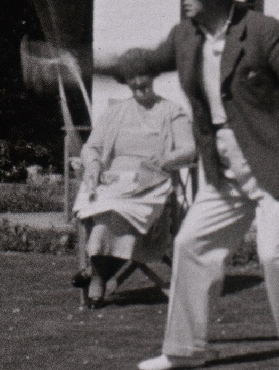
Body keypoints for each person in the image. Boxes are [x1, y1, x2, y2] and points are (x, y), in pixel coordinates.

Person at [97, 0, 279, 370]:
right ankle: (185, 351)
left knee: (276, 259)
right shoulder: (184, 36)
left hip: (277, 164)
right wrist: (92, 62)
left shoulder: (262, 32)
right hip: (223, 170)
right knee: (191, 244)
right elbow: (146, 62)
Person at [71, 74, 196, 309]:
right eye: (133, 77)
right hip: (113, 180)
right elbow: (91, 147)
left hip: (152, 181)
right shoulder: (115, 112)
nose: (138, 83)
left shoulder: (172, 111)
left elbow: (189, 149)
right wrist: (94, 165)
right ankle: (100, 271)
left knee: (115, 209)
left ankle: (97, 274)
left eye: (143, 76)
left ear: (153, 77)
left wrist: (166, 159)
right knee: (102, 204)